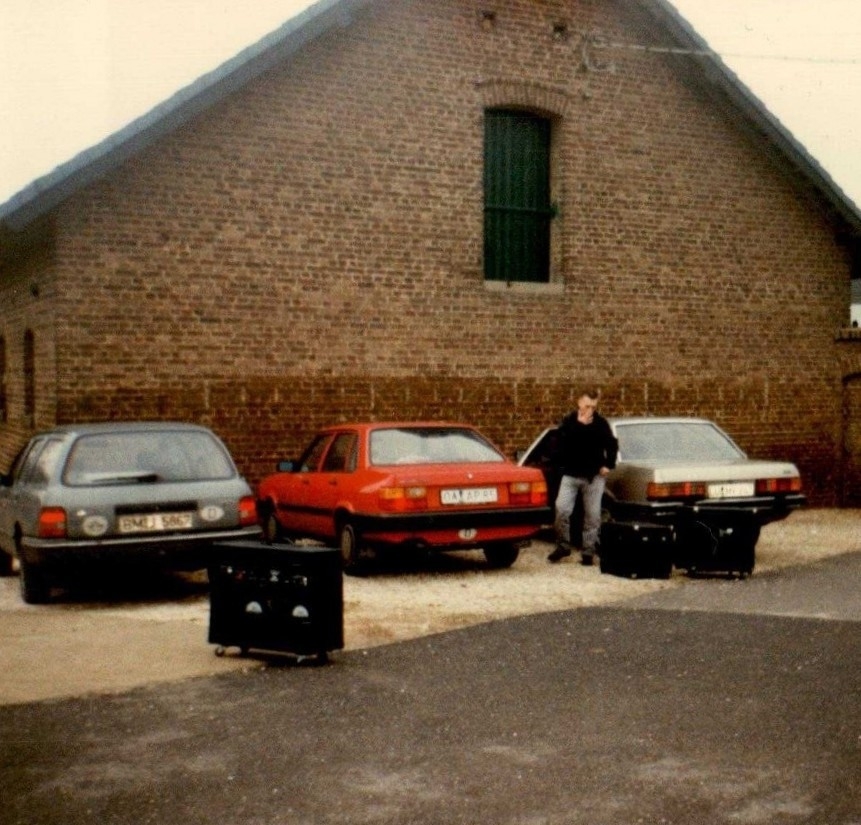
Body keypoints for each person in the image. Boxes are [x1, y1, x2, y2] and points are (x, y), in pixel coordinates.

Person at [547, 389, 618, 565]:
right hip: (571, 474)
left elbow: (611, 444)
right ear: (579, 403)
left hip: (593, 476)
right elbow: (561, 444)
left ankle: (588, 551)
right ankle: (563, 545)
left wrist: (608, 464)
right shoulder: (569, 422)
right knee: (562, 509)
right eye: (587, 406)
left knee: (592, 516)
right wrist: (579, 426)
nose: (590, 410)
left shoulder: (600, 423)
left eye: (593, 407)